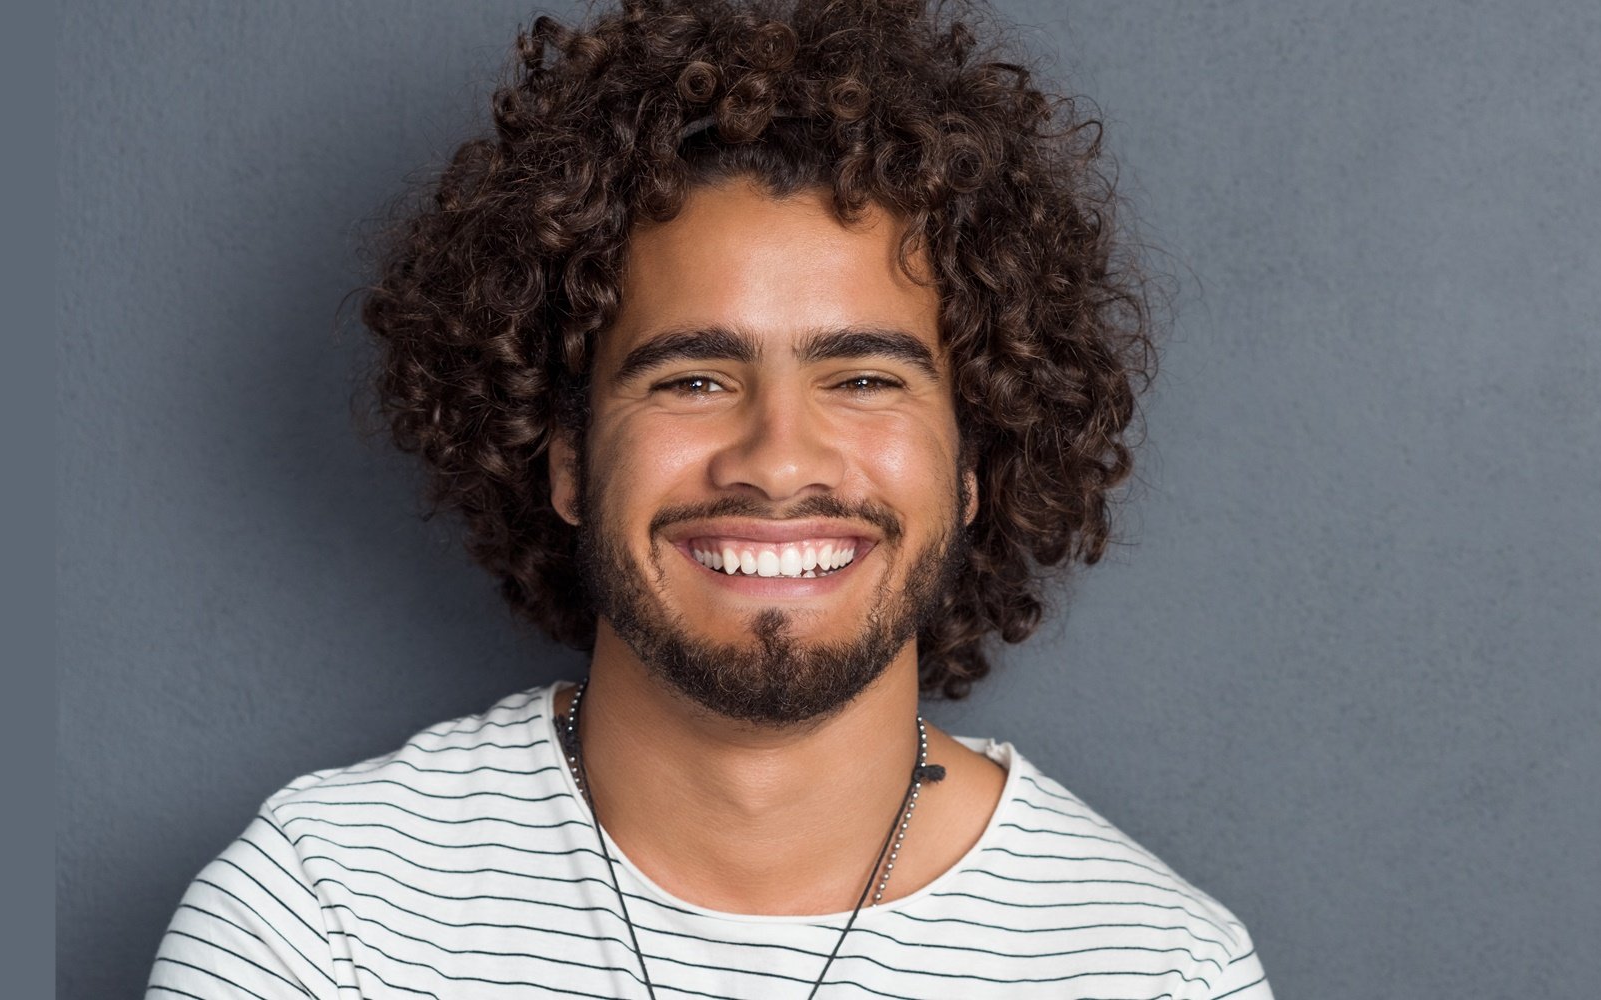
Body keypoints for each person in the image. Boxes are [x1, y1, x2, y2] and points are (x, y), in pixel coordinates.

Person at [147, 1, 1272, 996]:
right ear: (568, 460)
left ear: (976, 462)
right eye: (693, 378)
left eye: (865, 379)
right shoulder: (321, 922)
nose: (778, 462)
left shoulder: (1157, 968)